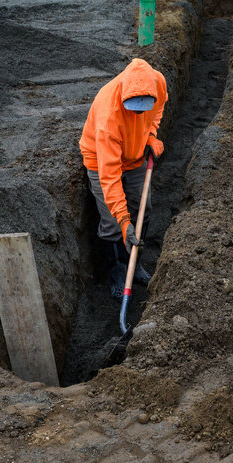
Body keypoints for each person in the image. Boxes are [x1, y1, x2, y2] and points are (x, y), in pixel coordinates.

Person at [79, 58, 168, 299]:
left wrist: (150, 135)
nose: (139, 114)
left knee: (142, 208)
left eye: (143, 109)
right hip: (102, 161)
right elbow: (109, 177)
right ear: (124, 99)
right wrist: (123, 220)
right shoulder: (109, 119)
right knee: (111, 221)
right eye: (134, 110)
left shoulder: (157, 83)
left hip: (136, 153)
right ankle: (118, 271)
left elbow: (158, 109)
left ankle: (135, 264)